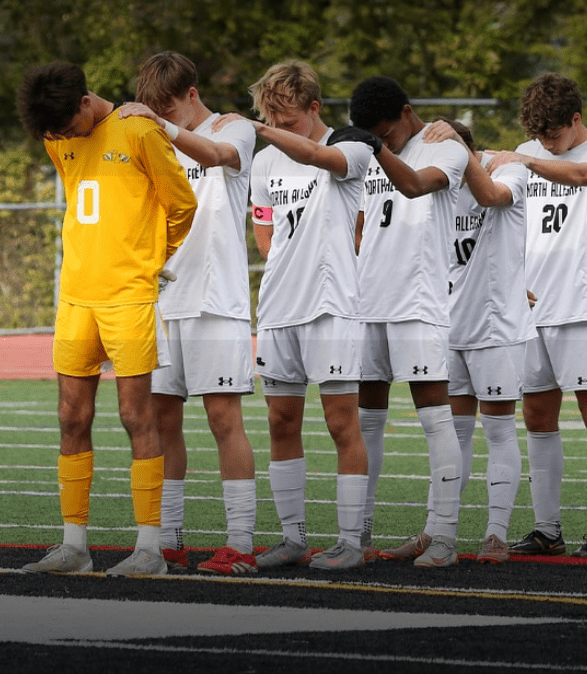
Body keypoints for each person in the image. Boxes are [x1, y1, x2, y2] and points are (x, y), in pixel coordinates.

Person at [18, 61, 197, 576]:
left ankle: (149, 550)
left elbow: (182, 205)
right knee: (71, 418)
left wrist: (149, 261)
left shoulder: (139, 130)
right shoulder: (59, 137)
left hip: (129, 299)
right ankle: (74, 546)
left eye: (68, 125)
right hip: (76, 298)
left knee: (138, 417)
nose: (63, 137)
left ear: (85, 102)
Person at [218, 60, 372, 572]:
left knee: (340, 423)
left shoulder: (350, 146)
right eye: (272, 122)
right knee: (281, 421)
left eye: (289, 121)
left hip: (331, 308)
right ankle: (293, 539)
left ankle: (350, 541)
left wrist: (263, 130)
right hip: (280, 308)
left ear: (314, 107)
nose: (281, 131)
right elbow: (265, 232)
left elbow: (314, 154)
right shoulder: (264, 163)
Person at [123, 51, 259, 575]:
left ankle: (240, 544)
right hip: (162, 299)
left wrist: (160, 126)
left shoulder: (234, 126)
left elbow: (220, 154)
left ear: (192, 96)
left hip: (215, 298)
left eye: (170, 109)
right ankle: (170, 540)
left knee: (224, 419)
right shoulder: (156, 137)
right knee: (161, 422)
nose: (165, 118)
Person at [487, 72, 587, 558]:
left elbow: (581, 177)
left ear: (576, 118)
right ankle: (547, 529)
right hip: (529, 308)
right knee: (537, 416)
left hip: (581, 305)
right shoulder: (525, 153)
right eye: (538, 135)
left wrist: (525, 158)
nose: (546, 143)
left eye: (554, 134)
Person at [344, 77, 469, 569]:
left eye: (387, 134)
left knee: (436, 420)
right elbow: (358, 221)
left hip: (417, 302)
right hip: (368, 300)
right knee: (365, 422)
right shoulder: (370, 147)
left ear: (407, 113)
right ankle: (359, 535)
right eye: (375, 136)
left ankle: (443, 536)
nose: (383, 142)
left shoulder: (445, 145)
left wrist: (374, 147)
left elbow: (416, 186)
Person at [404, 117, 535, 564]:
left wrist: (458, 149)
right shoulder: (436, 185)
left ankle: (496, 534)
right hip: (447, 324)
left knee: (498, 429)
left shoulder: (508, 168)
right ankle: (435, 530)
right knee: (452, 435)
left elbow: (493, 197)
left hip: (496, 325)